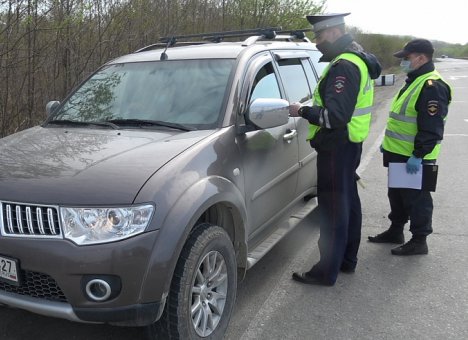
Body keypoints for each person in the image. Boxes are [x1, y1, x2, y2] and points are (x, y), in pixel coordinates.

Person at [290, 13, 381, 286]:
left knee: (332, 210)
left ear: (332, 32)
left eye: (318, 36)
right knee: (348, 203)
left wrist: (302, 110)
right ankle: (346, 260)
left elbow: (334, 117)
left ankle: (325, 272)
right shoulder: (357, 58)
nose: (316, 42)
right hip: (349, 144)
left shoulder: (343, 66)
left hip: (336, 146)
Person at [368, 39, 452, 255]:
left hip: (415, 157)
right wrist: (388, 146)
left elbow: (431, 126)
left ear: (421, 58)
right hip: (399, 153)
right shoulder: (415, 80)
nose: (403, 62)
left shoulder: (431, 86)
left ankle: (419, 240)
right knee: (397, 195)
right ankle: (396, 230)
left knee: (418, 199)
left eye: (406, 58)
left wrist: (419, 154)